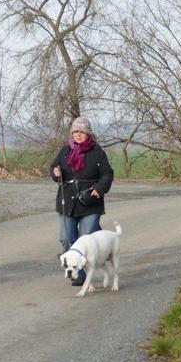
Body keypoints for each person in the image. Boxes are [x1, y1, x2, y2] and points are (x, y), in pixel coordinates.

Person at [50, 116, 114, 286]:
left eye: (82, 132)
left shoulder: (98, 153)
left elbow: (107, 174)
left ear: (88, 134)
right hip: (67, 202)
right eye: (75, 131)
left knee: (86, 238)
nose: (78, 135)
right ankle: (74, 263)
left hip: (90, 202)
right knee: (66, 238)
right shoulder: (65, 151)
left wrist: (99, 188)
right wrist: (56, 173)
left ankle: (82, 274)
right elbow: (54, 168)